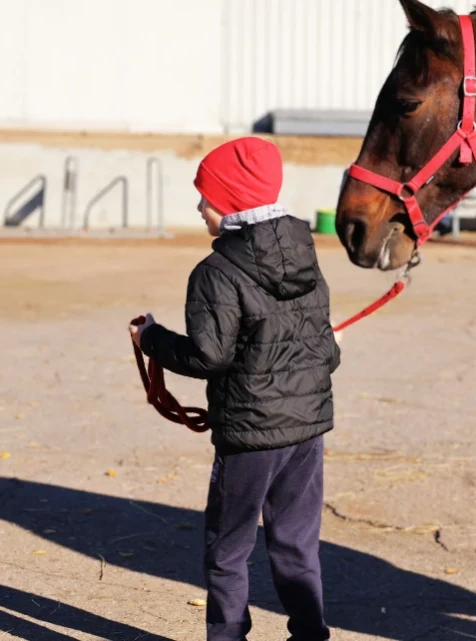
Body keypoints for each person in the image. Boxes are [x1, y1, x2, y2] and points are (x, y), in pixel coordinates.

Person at [129, 137, 340, 641]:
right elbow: (329, 354)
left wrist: (151, 339)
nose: (199, 207)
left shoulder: (215, 273)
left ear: (230, 202)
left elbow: (209, 356)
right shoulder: (307, 262)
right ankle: (310, 634)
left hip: (249, 439)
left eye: (205, 196)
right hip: (306, 435)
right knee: (296, 544)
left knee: (227, 550)